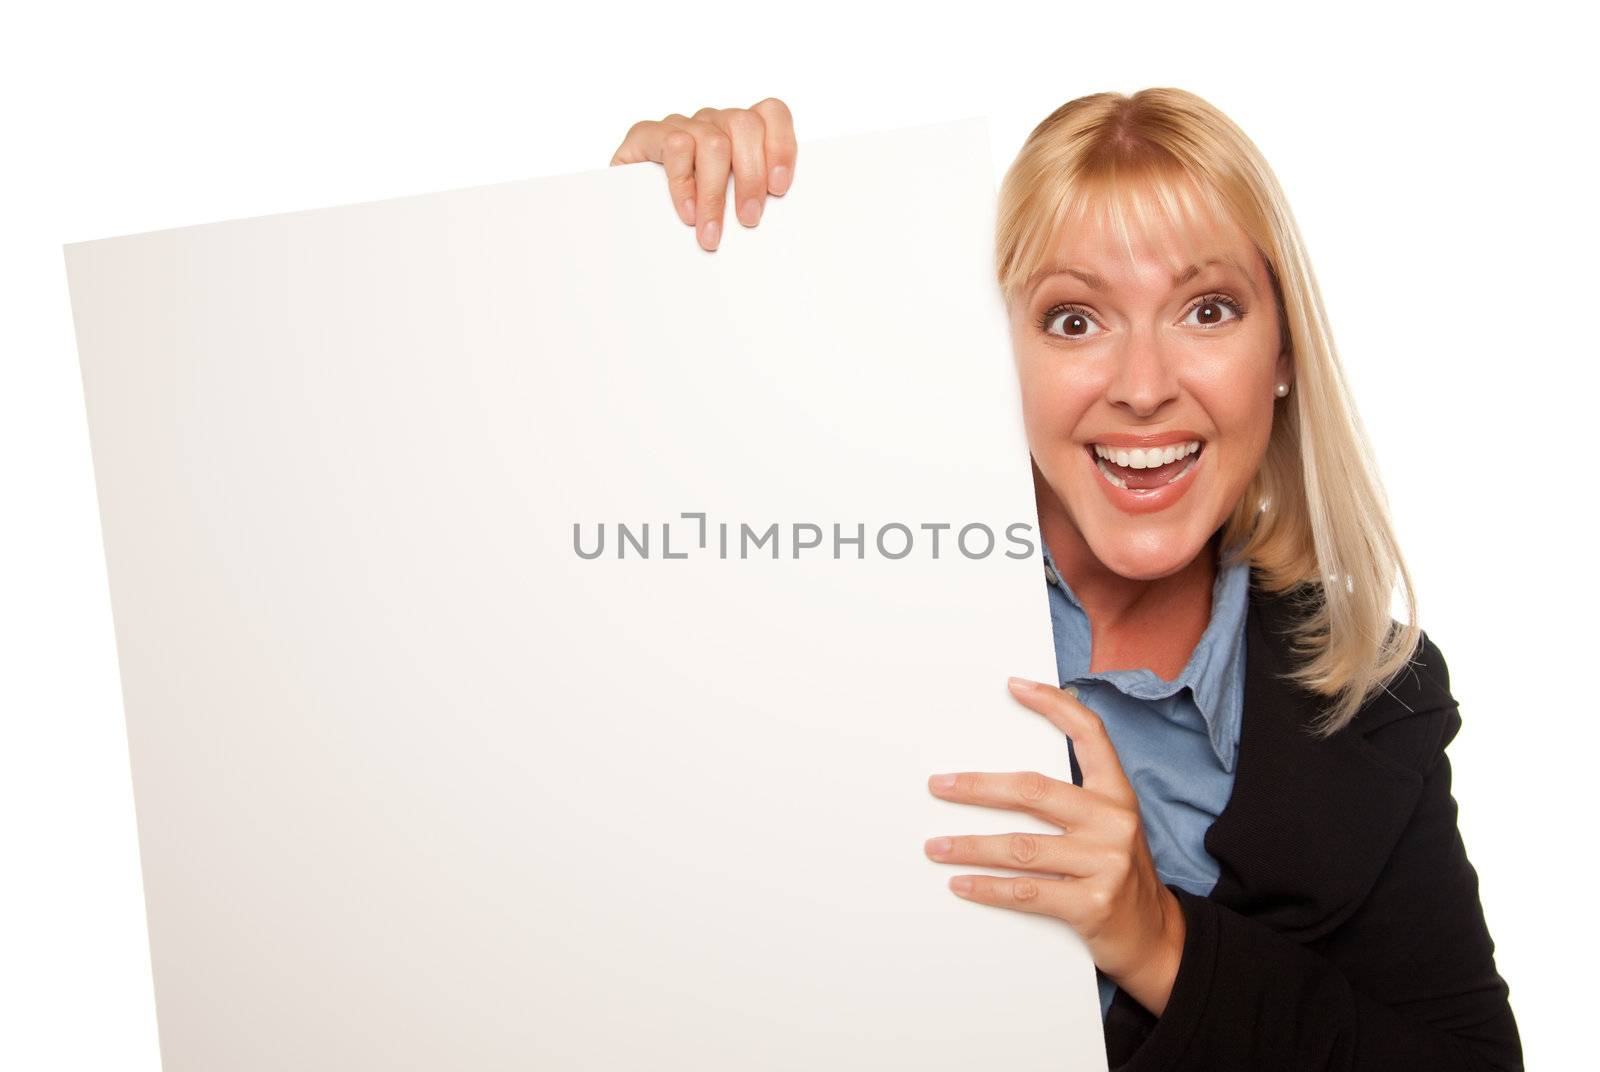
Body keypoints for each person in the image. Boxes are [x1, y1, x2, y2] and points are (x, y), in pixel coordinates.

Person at [609, 90, 1522, 1071]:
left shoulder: (1371, 695)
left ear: (1283, 351)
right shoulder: (849, 583)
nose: (1140, 384)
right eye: (1073, 317)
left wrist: (1158, 942)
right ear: (997, 352)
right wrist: (642, 244)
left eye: (1206, 308)